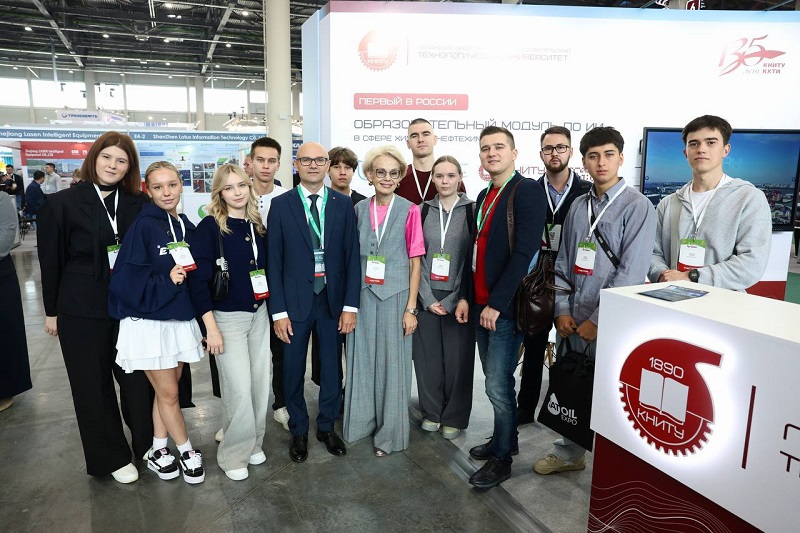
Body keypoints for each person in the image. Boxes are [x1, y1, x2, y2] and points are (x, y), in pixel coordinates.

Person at [533, 126, 656, 475]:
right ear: (584, 161)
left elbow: (631, 273)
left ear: (621, 158)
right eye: (593, 156)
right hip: (572, 318)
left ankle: (613, 466)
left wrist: (597, 321)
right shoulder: (578, 205)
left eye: (608, 155)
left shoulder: (638, 206)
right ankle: (570, 453)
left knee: (612, 394)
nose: (601, 162)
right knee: (571, 387)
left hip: (610, 321)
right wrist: (561, 310)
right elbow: (562, 262)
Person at [37, 131, 153, 484]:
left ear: (129, 167)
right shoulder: (61, 204)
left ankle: (149, 444)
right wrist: (52, 311)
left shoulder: (139, 203)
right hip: (80, 307)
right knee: (92, 384)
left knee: (137, 379)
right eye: (107, 157)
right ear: (93, 158)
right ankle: (110, 456)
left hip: (131, 305)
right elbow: (51, 262)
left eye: (121, 160)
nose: (113, 165)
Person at [109, 161, 205, 484]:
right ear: (147, 190)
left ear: (181, 185)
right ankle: (187, 451)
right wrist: (168, 280)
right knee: (170, 394)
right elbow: (125, 281)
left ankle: (158, 449)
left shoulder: (183, 224)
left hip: (177, 321)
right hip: (150, 325)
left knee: (167, 394)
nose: (167, 192)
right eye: (158, 187)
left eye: (172, 185)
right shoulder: (143, 226)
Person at [267, 142, 361, 463]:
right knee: (292, 369)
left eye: (319, 160)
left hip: (331, 301)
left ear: (327, 165)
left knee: (332, 368)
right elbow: (274, 262)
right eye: (305, 160)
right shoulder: (281, 205)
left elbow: (351, 258)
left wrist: (350, 306)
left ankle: (326, 426)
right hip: (294, 304)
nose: (312, 165)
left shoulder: (342, 204)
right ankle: (299, 429)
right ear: (296, 164)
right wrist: (278, 312)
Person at [467, 126, 546, 489]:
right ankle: (505, 438)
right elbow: (476, 252)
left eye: (499, 147)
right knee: (493, 381)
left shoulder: (526, 190)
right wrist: (472, 298)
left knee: (498, 386)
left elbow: (524, 253)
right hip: (481, 303)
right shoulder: (485, 194)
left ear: (514, 153)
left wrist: (496, 304)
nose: (492, 153)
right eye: (486, 148)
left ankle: (502, 459)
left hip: (504, 309)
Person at [189, 164, 271, 481]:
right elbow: (197, 282)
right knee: (238, 388)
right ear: (219, 193)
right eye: (229, 187)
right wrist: (210, 328)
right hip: (227, 319)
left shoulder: (256, 224)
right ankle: (234, 454)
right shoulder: (210, 227)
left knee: (260, 385)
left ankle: (254, 443)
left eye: (241, 185)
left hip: (259, 314)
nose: (237, 192)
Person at [343, 145, 425, 456]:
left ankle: (390, 435)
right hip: (364, 297)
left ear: (400, 176)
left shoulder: (410, 210)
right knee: (361, 362)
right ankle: (361, 425)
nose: (387, 178)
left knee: (394, 367)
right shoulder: (358, 210)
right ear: (369, 175)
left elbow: (416, 262)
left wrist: (411, 308)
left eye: (393, 173)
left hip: (397, 296)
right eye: (381, 172)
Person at [517, 126, 592, 425]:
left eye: (561, 147)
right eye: (549, 149)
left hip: (573, 278)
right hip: (537, 278)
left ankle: (568, 411)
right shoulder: (531, 191)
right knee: (534, 345)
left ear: (571, 152)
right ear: (541, 154)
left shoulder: (587, 192)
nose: (555, 153)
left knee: (571, 346)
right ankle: (525, 408)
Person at [648, 115, 772, 289]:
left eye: (711, 142)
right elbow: (652, 253)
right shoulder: (668, 204)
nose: (701, 149)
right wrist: (663, 275)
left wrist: (692, 276)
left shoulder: (748, 198)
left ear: (725, 150)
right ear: (685, 153)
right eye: (694, 144)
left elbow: (751, 263)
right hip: (672, 297)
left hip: (723, 302)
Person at [413, 155, 475, 440]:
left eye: (451, 175)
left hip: (459, 298)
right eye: (439, 176)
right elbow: (416, 257)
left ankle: (454, 416)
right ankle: (431, 412)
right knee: (427, 359)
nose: (445, 181)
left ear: (460, 177)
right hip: (426, 295)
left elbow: (471, 259)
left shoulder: (472, 210)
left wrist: (455, 298)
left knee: (457, 361)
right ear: (433, 179)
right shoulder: (422, 210)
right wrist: (426, 297)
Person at [309, 146, 365, 389]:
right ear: (328, 169)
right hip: (322, 282)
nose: (342, 172)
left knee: (354, 344)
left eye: (348, 167)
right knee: (325, 346)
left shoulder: (363, 203)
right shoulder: (316, 201)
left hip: (353, 281)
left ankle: (354, 393)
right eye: (337, 166)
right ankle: (329, 390)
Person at [250, 136, 291, 433]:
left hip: (281, 285)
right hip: (246, 286)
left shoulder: (288, 198)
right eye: (260, 160)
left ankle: (282, 405)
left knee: (282, 349)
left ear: (278, 164)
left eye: (271, 161)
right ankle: (238, 414)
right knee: (246, 353)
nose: (265, 166)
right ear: (250, 162)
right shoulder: (237, 192)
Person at [0, 190, 32, 412]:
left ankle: (4, 391)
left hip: (1, 275)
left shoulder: (1, 199)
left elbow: (5, 237)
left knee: (4, 334)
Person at [397, 118, 465, 204]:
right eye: (414, 136)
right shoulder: (399, 177)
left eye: (426, 134)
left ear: (434, 139)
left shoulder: (451, 178)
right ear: (408, 143)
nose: (420, 139)